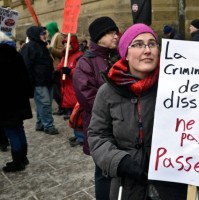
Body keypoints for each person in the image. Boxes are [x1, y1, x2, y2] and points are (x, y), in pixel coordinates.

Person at [88, 23, 187, 200]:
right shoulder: (107, 91)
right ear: (125, 53)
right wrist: (119, 161)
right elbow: (97, 135)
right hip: (127, 186)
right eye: (138, 44)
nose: (147, 50)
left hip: (171, 184)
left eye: (152, 44)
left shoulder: (177, 87)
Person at [73, 16, 120, 200]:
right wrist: (115, 113)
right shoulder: (85, 63)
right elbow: (87, 97)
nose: (115, 36)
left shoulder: (118, 56)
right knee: (104, 171)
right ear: (99, 37)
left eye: (115, 32)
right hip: (101, 127)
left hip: (122, 126)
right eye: (110, 33)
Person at [0, 31, 33, 172]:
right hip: (19, 100)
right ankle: (23, 157)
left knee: (11, 131)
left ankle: (18, 161)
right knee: (19, 128)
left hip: (5, 103)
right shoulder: (15, 54)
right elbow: (26, 76)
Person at [20, 26, 59, 135]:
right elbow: (26, 66)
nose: (45, 35)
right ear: (36, 35)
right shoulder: (28, 47)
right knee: (45, 103)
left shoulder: (43, 45)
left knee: (44, 103)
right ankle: (49, 126)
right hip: (38, 81)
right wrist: (30, 82)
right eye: (42, 33)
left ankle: (40, 123)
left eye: (45, 33)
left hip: (48, 79)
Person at [57, 34, 84, 146]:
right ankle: (77, 134)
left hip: (75, 89)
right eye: (64, 44)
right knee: (73, 115)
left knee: (78, 115)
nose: (66, 46)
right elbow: (60, 66)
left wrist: (70, 71)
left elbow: (82, 72)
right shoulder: (65, 56)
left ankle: (81, 137)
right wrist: (58, 71)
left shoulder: (80, 56)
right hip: (67, 90)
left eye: (68, 44)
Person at [45, 21, 65, 115]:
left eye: (48, 30)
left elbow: (62, 53)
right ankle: (61, 107)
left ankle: (63, 108)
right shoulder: (54, 37)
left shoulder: (59, 36)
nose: (47, 32)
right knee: (56, 91)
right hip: (54, 67)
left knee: (58, 91)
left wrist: (50, 49)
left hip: (58, 67)